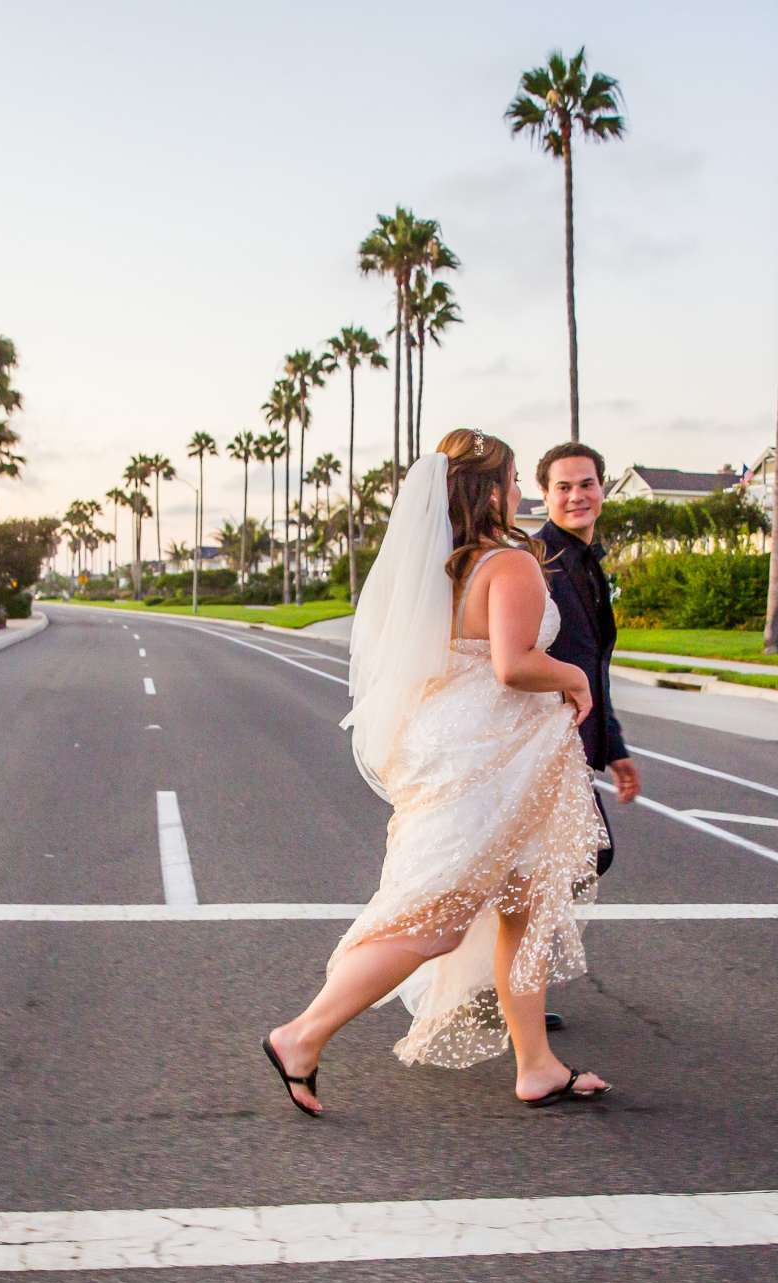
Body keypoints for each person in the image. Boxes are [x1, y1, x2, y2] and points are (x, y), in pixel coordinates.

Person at [262, 428, 613, 1116]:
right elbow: (514, 665)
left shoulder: (447, 568)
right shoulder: (508, 565)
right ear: (487, 490)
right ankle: (301, 1035)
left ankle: (537, 1065)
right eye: (513, 480)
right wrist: (574, 675)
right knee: (435, 919)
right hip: (489, 763)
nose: (521, 493)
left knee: (525, 906)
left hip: (481, 753)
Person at [532, 442, 637, 1031]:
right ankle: (505, 978)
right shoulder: (539, 560)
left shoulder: (585, 559)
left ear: (603, 490)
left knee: (566, 860)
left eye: (588, 484)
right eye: (564, 487)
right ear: (545, 494)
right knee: (582, 854)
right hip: (542, 738)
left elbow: (594, 661)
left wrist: (614, 746)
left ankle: (508, 979)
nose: (577, 496)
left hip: (574, 738)